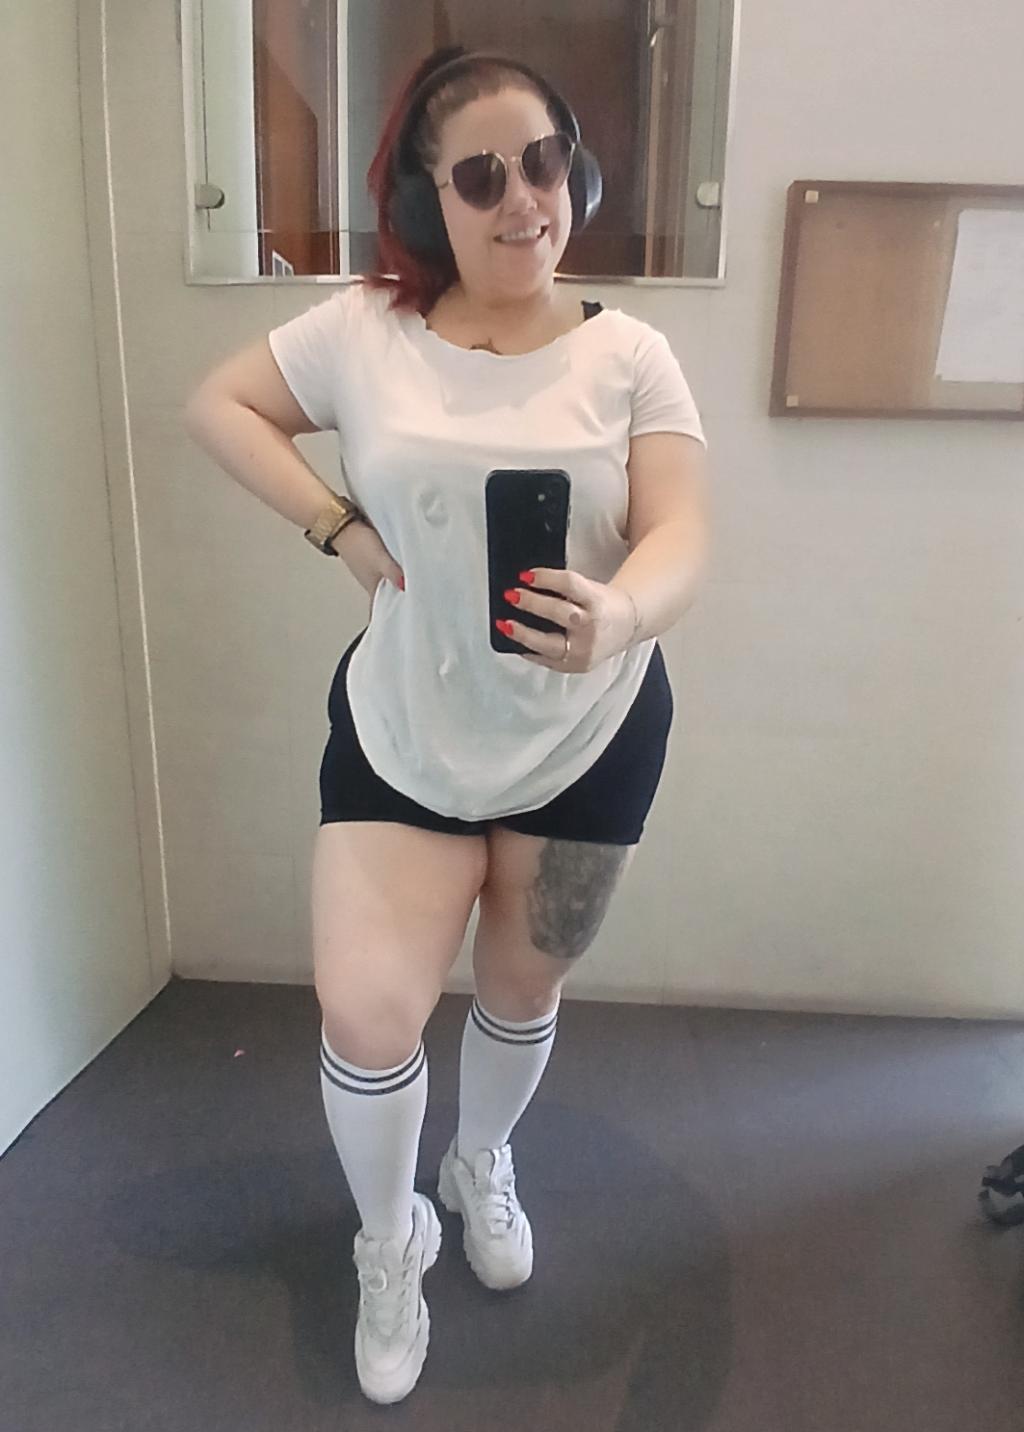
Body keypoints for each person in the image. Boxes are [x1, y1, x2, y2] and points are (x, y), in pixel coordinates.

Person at [184, 44, 710, 1406]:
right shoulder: (363, 331)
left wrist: (622, 613)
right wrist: (336, 527)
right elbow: (218, 404)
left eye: (543, 163)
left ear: (576, 175)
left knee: (524, 989)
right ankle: (389, 1237)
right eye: (480, 177)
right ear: (428, 202)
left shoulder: (631, 354)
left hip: (590, 740)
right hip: (407, 735)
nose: (521, 199)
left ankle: (482, 1161)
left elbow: (683, 533)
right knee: (369, 1014)